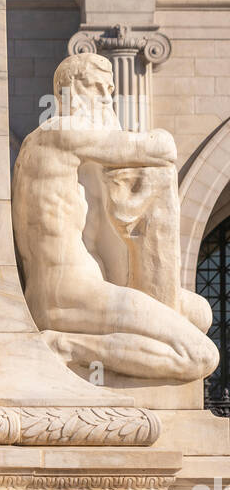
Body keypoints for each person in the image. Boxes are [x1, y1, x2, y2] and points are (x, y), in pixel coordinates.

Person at [12, 53, 217, 382]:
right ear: (71, 90)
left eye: (110, 90)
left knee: (200, 313)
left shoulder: (74, 155)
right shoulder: (59, 133)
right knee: (201, 355)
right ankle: (65, 346)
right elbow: (160, 148)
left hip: (84, 291)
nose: (107, 99)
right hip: (66, 295)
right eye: (97, 88)